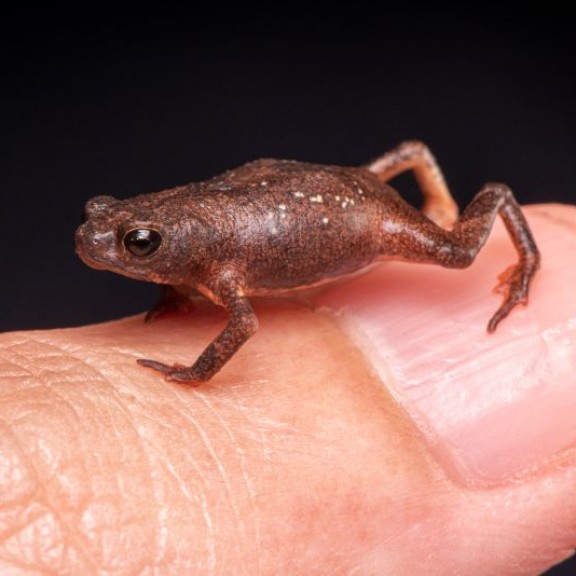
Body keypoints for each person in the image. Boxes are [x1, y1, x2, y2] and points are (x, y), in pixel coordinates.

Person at [1, 204, 575, 574]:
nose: (94, 241)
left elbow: (245, 322)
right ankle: (414, 164)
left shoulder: (218, 266)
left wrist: (196, 373)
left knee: (456, 252)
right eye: (104, 223)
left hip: (360, 214)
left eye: (138, 241)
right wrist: (172, 285)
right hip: (295, 196)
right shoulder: (199, 254)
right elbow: (188, 263)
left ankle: (526, 254)